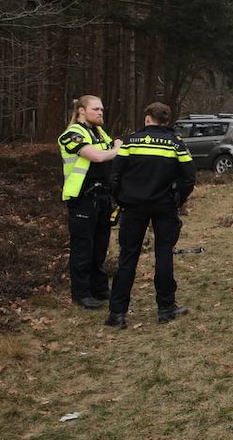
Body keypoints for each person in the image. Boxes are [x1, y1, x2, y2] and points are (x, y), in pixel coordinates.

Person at [105, 102, 197, 329]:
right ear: (166, 121)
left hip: (133, 207)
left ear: (147, 118)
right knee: (164, 255)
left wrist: (122, 199)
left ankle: (117, 314)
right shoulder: (176, 144)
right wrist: (178, 200)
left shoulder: (130, 141)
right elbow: (189, 177)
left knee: (128, 257)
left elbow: (115, 175)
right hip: (164, 207)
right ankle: (166, 308)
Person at [58, 95, 122, 309]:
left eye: (102, 109)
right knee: (83, 247)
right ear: (81, 111)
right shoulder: (71, 134)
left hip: (103, 196)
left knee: (100, 245)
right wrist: (116, 149)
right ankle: (81, 293)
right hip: (82, 198)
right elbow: (96, 156)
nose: (100, 113)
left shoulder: (99, 132)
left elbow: (110, 152)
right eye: (96, 109)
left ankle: (99, 287)